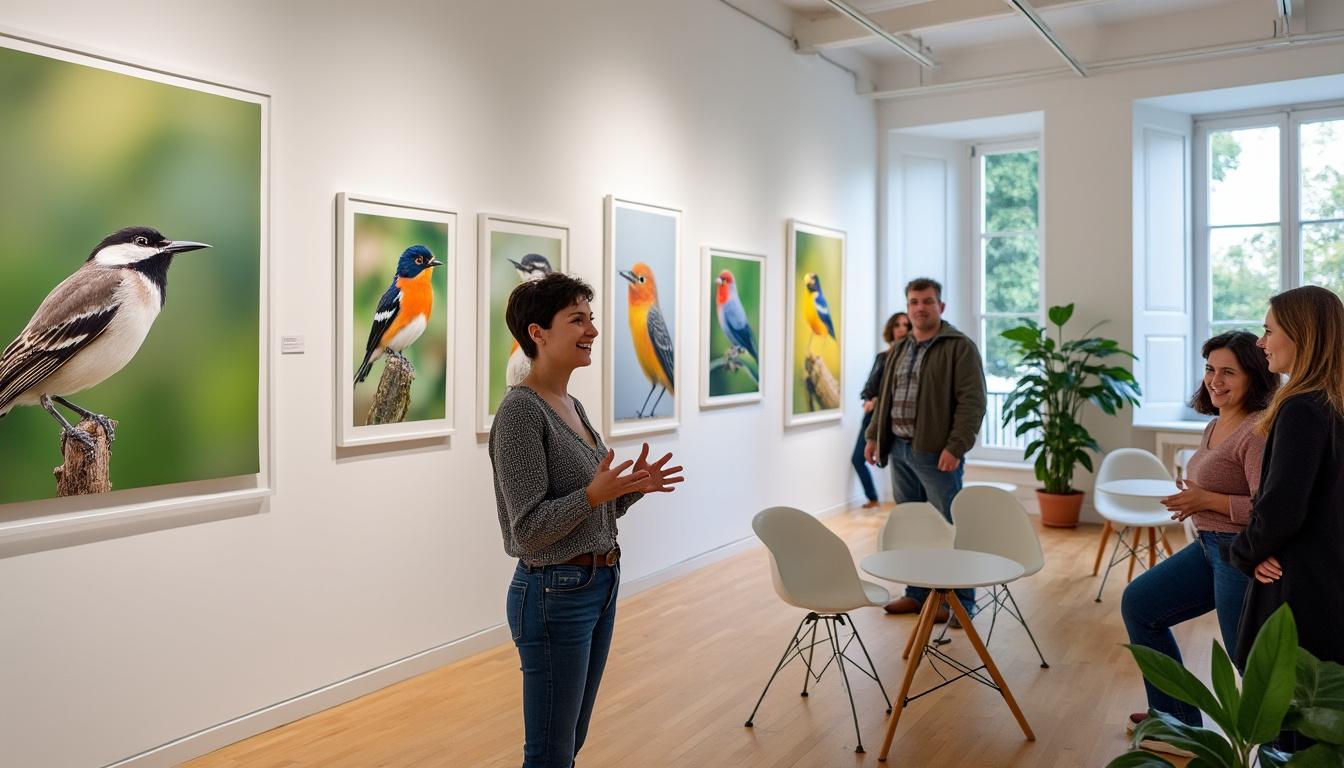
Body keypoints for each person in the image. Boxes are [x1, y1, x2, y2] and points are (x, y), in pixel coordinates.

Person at [490, 272, 684, 768]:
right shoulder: (520, 413)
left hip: (598, 584)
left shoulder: (570, 405)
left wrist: (628, 488)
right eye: (577, 320)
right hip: (555, 592)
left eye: (591, 319)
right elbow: (527, 530)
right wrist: (593, 493)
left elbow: (594, 510)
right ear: (538, 333)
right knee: (551, 751)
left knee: (569, 739)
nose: (592, 331)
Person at [1119, 331, 1276, 752]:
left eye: (1229, 372)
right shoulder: (1215, 422)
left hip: (1237, 555)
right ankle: (1176, 722)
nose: (1215, 380)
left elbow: (1266, 506)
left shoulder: (1255, 430)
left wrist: (1206, 498)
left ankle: (1292, 748)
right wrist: (1196, 498)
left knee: (1247, 658)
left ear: (1255, 376)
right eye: (1210, 369)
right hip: (1208, 548)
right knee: (1140, 604)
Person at [1229, 285, 1344, 754]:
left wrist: (1244, 552)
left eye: (1268, 330)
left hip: (1300, 590)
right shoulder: (1334, 402)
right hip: (1333, 582)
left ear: (1301, 336)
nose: (1261, 342)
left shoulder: (1300, 408)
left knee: (1289, 730)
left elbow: (1281, 509)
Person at [864, 278, 986, 623]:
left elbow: (972, 402)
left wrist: (956, 446)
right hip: (900, 451)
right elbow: (885, 397)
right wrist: (874, 436)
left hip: (936, 455)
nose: (920, 307)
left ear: (941, 307)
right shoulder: (901, 348)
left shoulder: (959, 347)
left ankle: (960, 602)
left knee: (950, 526)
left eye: (927, 301)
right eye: (914, 302)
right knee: (913, 527)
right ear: (907, 307)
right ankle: (916, 595)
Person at [853, 312, 911, 508]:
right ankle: (873, 498)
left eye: (906, 325)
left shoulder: (910, 358)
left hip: (894, 417)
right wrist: (869, 399)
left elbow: (897, 391)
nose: (902, 328)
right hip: (872, 417)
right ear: (891, 329)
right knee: (857, 458)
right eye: (897, 325)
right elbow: (870, 386)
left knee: (900, 461)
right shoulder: (883, 357)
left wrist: (878, 400)